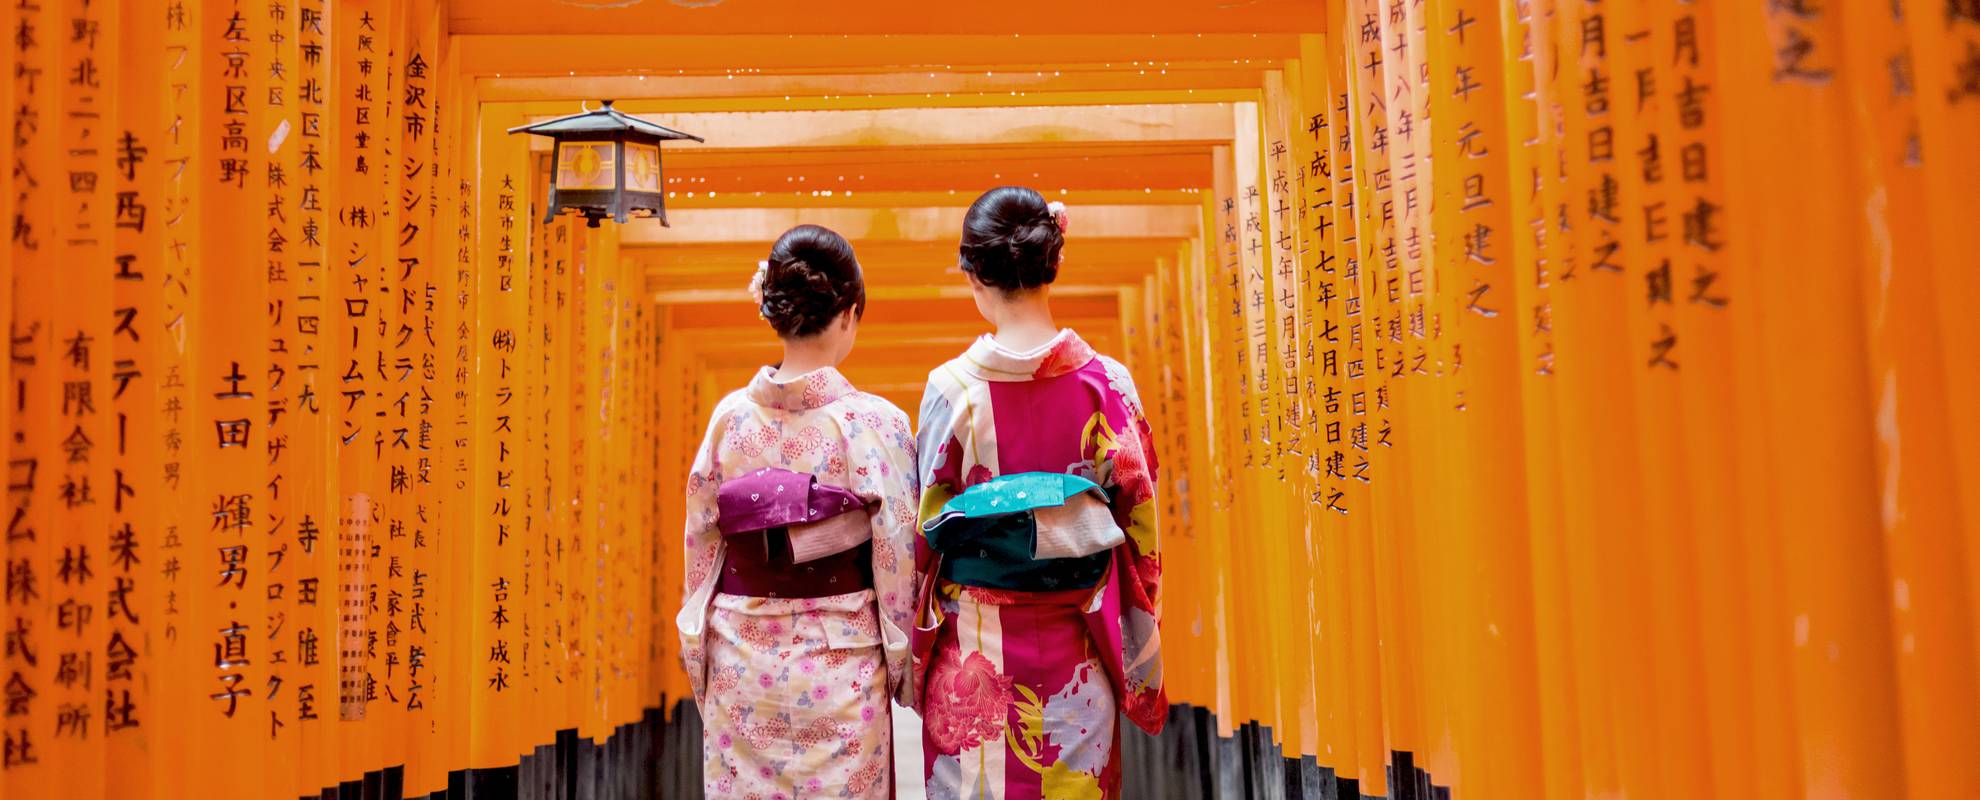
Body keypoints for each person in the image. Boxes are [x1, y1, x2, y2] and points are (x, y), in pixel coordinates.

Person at [913, 187, 1166, 799]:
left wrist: (911, 651)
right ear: (1054, 262)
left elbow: (922, 534)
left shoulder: (951, 391)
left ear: (974, 275)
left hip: (973, 656)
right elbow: (1141, 533)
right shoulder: (1107, 385)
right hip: (1075, 653)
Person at [677, 224, 918, 799]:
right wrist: (903, 662)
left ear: (773, 311)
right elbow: (897, 553)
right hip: (841, 663)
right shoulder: (875, 423)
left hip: (740, 656)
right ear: (850, 313)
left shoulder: (728, 420)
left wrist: (700, 652)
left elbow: (701, 544)